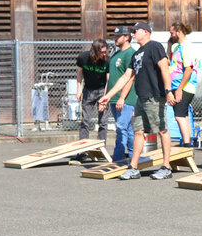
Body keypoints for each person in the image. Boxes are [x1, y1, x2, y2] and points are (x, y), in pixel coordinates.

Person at [98, 22, 176, 180]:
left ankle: (166, 167)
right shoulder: (137, 53)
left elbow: (164, 68)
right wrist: (108, 95)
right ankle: (133, 168)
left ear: (146, 32)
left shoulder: (154, 47)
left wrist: (168, 90)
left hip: (155, 96)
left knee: (162, 130)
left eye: (136, 31)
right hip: (141, 98)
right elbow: (126, 77)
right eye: (132, 32)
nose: (133, 34)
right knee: (138, 131)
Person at [75, 38, 109, 162]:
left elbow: (108, 80)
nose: (105, 54)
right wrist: (78, 90)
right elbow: (79, 73)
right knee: (85, 121)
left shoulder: (107, 60)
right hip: (88, 90)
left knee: (103, 122)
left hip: (102, 91)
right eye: (102, 52)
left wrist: (104, 99)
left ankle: (100, 149)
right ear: (95, 51)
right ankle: (82, 150)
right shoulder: (83, 57)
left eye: (106, 51)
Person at [107, 26, 137, 161]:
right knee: (129, 130)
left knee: (121, 129)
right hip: (114, 98)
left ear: (127, 37)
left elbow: (131, 77)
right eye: (114, 36)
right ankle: (132, 157)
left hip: (124, 99)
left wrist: (123, 98)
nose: (115, 38)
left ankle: (118, 159)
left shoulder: (130, 53)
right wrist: (107, 96)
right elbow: (111, 77)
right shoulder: (116, 54)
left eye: (118, 36)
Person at [168, 22, 198, 147]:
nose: (171, 35)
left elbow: (189, 69)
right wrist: (169, 44)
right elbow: (169, 61)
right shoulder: (177, 47)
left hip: (185, 87)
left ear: (178, 31)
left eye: (172, 33)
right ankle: (186, 141)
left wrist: (180, 89)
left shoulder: (187, 46)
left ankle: (186, 144)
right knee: (182, 115)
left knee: (179, 116)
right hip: (176, 86)